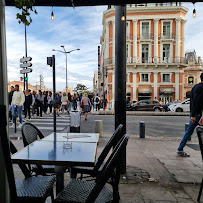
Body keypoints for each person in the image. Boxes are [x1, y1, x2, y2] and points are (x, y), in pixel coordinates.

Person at [177, 73, 203, 157]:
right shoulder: (201, 88)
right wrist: (194, 115)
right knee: (189, 132)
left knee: (188, 131)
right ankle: (180, 150)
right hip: (198, 114)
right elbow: (196, 101)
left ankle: (180, 149)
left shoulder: (195, 87)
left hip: (194, 113)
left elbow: (191, 101)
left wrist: (192, 113)